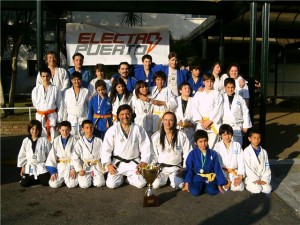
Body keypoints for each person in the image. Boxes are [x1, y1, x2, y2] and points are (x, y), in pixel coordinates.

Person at [101, 104, 151, 189]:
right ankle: (122, 177)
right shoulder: (112, 129)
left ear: (131, 114)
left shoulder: (138, 128)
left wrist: (144, 162)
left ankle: (128, 178)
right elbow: (106, 148)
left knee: (141, 183)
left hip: (134, 163)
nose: (125, 116)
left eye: (127, 114)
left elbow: (145, 146)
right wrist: (108, 164)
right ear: (118, 116)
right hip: (118, 163)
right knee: (111, 184)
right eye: (122, 114)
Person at [151, 112, 192, 189]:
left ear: (175, 121)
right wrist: (154, 168)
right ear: (162, 121)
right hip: (162, 169)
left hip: (176, 168)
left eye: (171, 120)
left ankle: (172, 180)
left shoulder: (181, 135)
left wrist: (184, 168)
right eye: (166, 120)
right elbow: (154, 154)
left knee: (179, 185)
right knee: (155, 185)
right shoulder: (157, 136)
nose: (168, 123)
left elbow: (188, 153)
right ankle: (166, 179)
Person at [182, 130, 227, 196]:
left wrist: (220, 183)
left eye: (205, 141)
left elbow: (217, 168)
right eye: (200, 141)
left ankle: (205, 186)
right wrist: (187, 182)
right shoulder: (192, 154)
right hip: (198, 177)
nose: (203, 143)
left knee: (213, 191)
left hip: (210, 177)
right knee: (195, 192)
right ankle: (201, 186)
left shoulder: (213, 153)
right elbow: (189, 169)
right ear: (195, 143)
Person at [32, 67, 63, 142]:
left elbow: (60, 105)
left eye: (47, 76)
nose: (46, 78)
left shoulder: (56, 89)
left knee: (53, 139)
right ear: (41, 77)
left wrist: (59, 121)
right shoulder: (36, 90)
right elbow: (35, 104)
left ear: (51, 76)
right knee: (41, 139)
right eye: (43, 76)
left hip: (52, 118)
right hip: (40, 117)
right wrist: (43, 110)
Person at [192, 73, 223, 149]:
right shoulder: (198, 94)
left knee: (212, 147)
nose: (209, 83)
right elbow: (194, 108)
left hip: (213, 123)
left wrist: (209, 121)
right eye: (207, 81)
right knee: (200, 146)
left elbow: (218, 109)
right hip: (201, 124)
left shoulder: (217, 94)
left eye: (211, 81)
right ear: (203, 82)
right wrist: (201, 121)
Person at [17, 120, 51, 187]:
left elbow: (50, 154)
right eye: (32, 129)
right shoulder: (26, 140)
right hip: (30, 165)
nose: (34, 131)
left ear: (39, 130)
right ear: (29, 129)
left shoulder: (44, 140)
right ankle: (34, 178)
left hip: (41, 165)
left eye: (36, 129)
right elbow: (22, 155)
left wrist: (49, 167)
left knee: (46, 182)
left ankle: (38, 178)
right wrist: (23, 167)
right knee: (24, 183)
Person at [72, 120, 105, 188]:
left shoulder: (99, 140)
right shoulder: (79, 142)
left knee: (100, 183)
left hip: (96, 165)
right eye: (86, 128)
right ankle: (89, 178)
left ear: (93, 128)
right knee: (84, 185)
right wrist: (79, 170)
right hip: (85, 166)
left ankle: (94, 178)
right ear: (83, 129)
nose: (89, 130)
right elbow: (75, 157)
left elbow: (104, 154)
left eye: (91, 127)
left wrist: (104, 167)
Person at [46, 121, 78, 188]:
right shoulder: (56, 140)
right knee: (53, 184)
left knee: (72, 185)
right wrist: (53, 171)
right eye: (63, 130)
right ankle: (63, 180)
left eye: (67, 130)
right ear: (59, 130)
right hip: (60, 166)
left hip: (70, 166)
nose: (65, 132)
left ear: (70, 130)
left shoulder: (75, 140)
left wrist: (73, 168)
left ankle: (66, 180)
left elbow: (77, 155)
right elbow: (52, 156)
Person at [214, 124, 245, 192]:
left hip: (234, 172)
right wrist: (221, 177)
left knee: (239, 187)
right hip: (222, 172)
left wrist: (240, 176)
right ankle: (226, 183)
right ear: (220, 135)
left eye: (229, 134)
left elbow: (241, 161)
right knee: (224, 188)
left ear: (232, 134)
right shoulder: (217, 146)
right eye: (224, 135)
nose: (227, 137)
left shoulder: (237, 145)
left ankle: (233, 183)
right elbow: (216, 162)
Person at [222, 78, 252, 146]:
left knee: (237, 148)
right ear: (225, 87)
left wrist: (245, 126)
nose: (230, 89)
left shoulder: (240, 98)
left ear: (235, 87)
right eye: (228, 87)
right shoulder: (221, 97)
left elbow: (245, 112)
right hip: (225, 126)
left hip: (237, 127)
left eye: (232, 87)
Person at [243, 130, 272, 194]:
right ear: (249, 139)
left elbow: (267, 167)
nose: (257, 140)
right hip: (251, 178)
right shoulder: (247, 151)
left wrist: (264, 180)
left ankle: (260, 183)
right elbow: (247, 168)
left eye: (259, 138)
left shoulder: (264, 151)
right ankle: (247, 184)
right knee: (257, 189)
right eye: (254, 138)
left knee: (268, 189)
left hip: (262, 177)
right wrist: (255, 179)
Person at [63, 71, 89, 138]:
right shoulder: (67, 92)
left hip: (83, 119)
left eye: (78, 79)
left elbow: (89, 106)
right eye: (74, 79)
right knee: (71, 139)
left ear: (81, 80)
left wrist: (88, 120)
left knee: (83, 139)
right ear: (71, 80)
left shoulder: (86, 91)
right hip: (71, 120)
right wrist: (64, 121)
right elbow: (65, 107)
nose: (76, 81)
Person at [174, 82, 195, 147]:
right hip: (177, 127)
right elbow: (172, 112)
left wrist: (189, 124)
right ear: (180, 91)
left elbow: (196, 116)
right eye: (185, 88)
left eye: (189, 88)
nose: (187, 90)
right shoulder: (175, 100)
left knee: (189, 148)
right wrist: (178, 122)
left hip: (189, 129)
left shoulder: (194, 100)